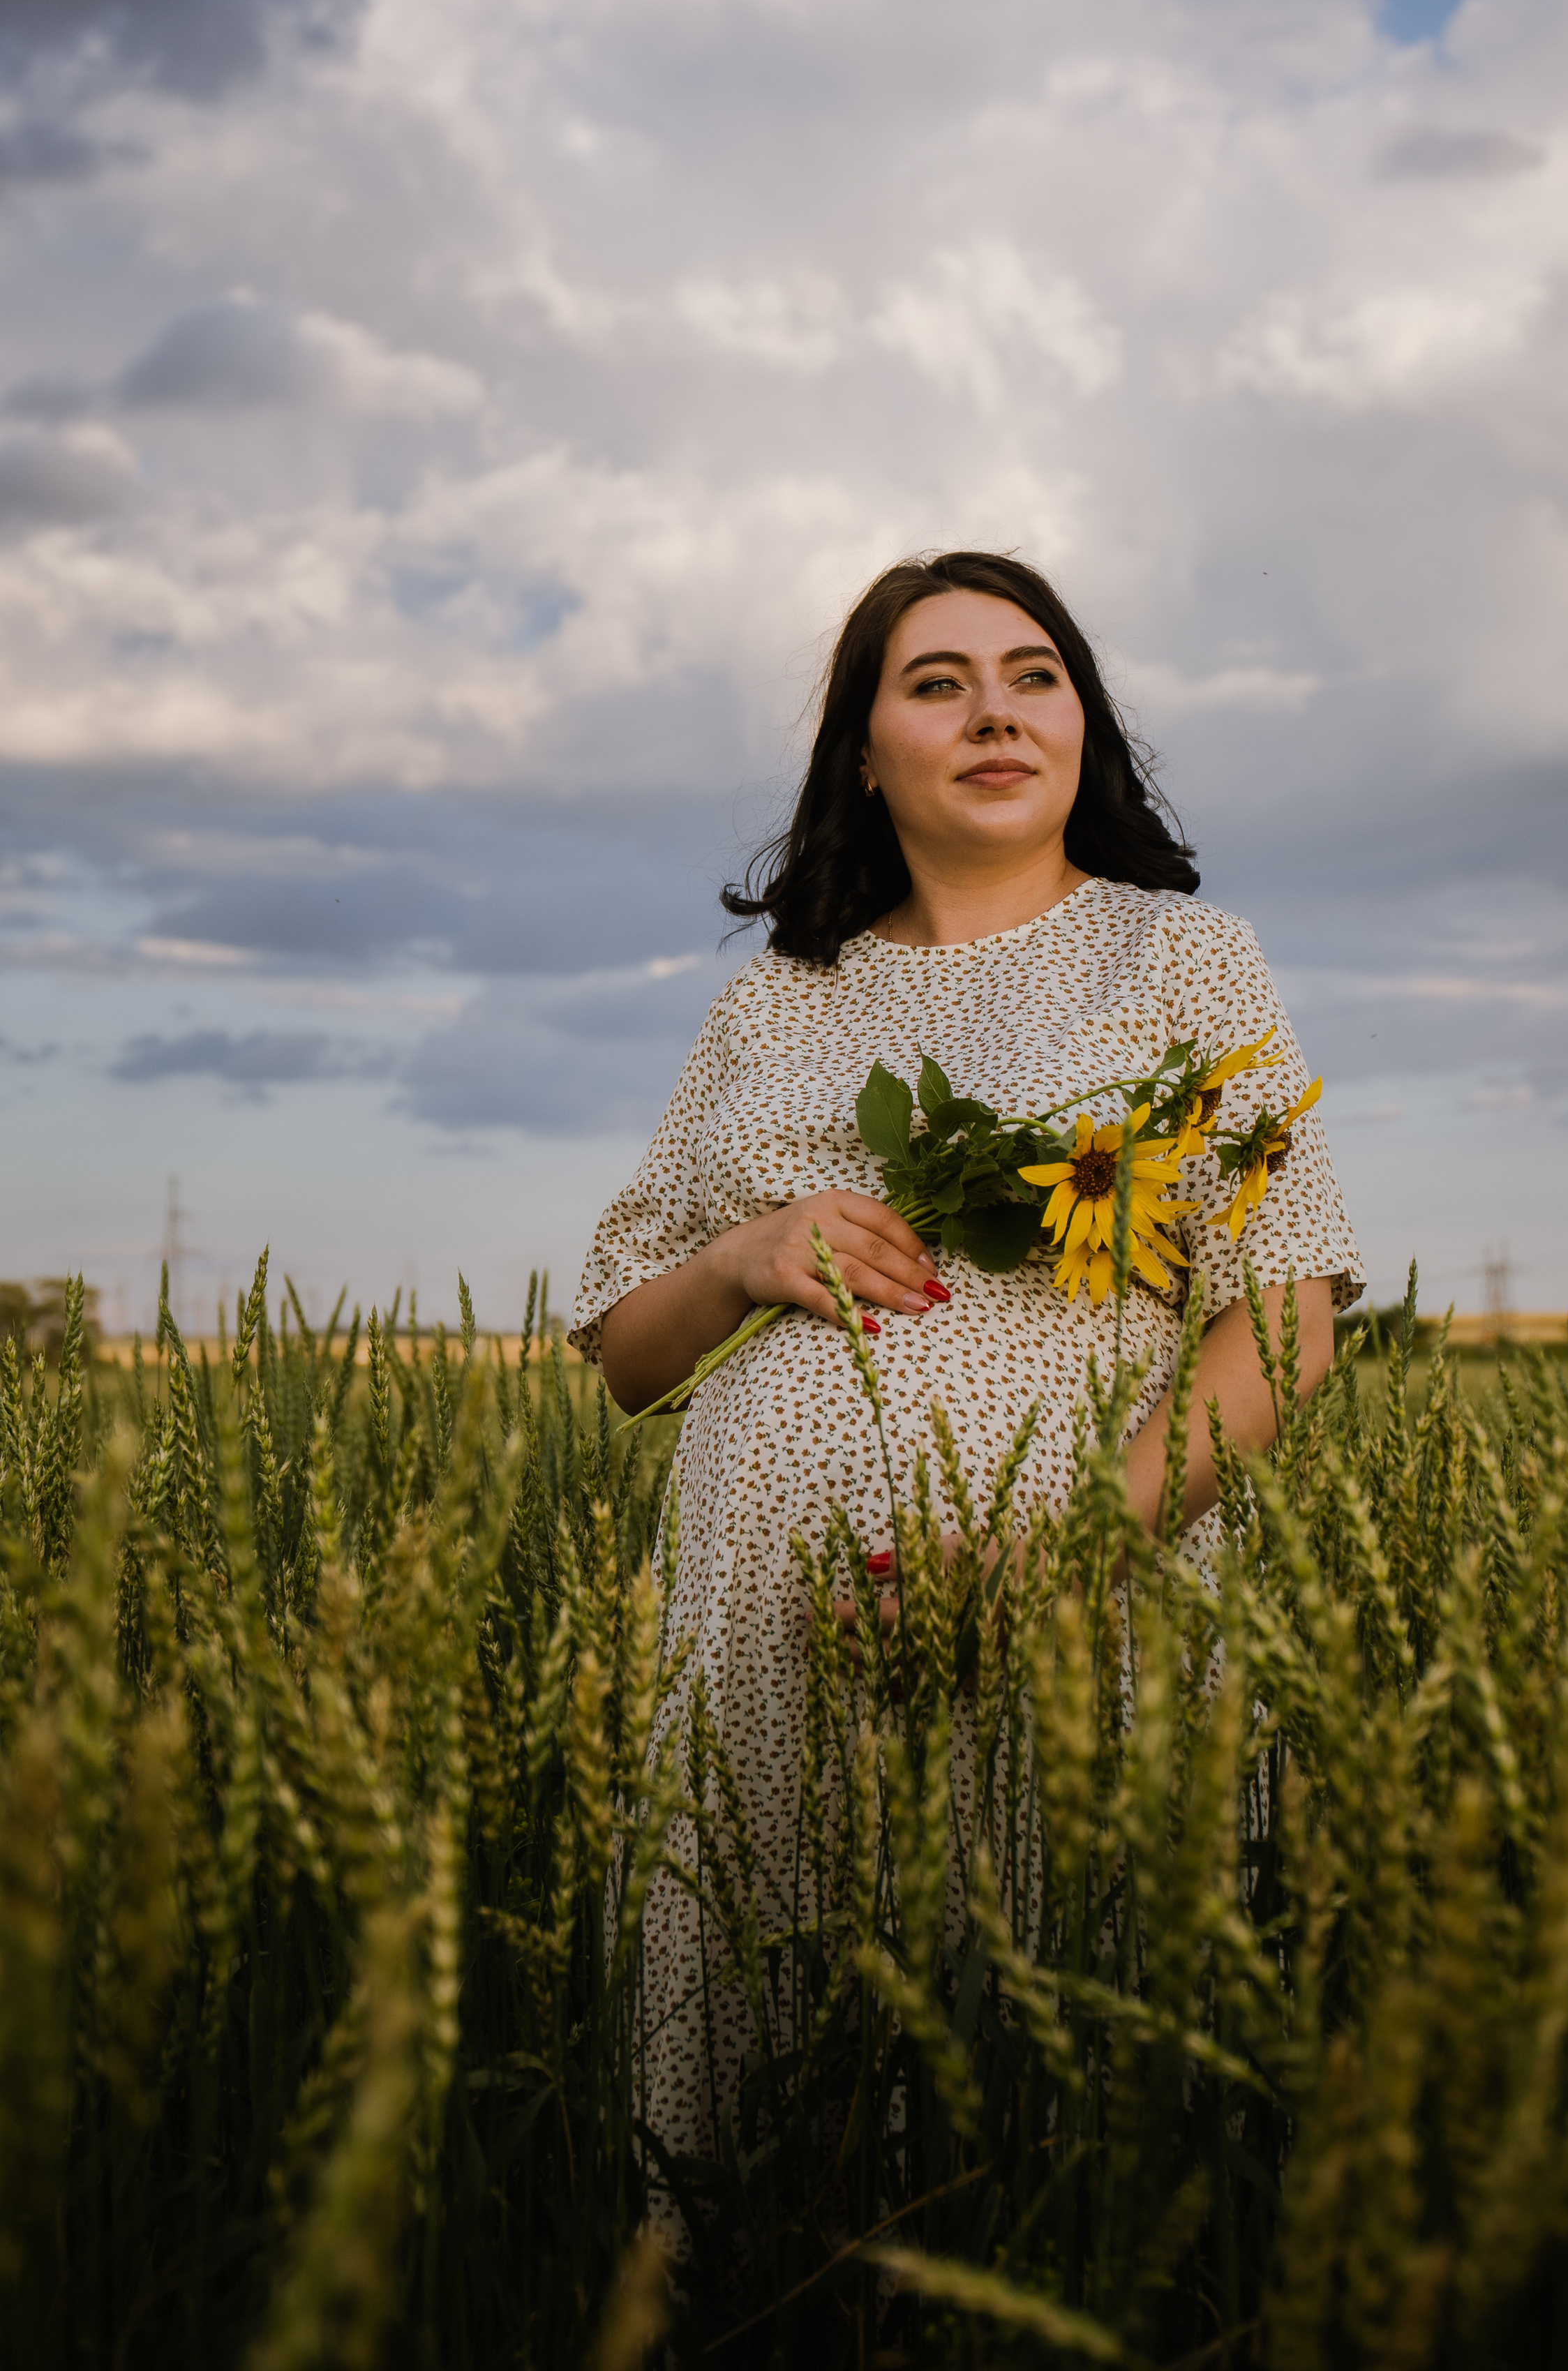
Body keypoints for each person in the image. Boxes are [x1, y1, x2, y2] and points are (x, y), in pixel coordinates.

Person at [571, 548, 1363, 2186]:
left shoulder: (1183, 961)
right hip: (769, 1641)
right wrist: (738, 1257)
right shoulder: (773, 1006)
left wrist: (1052, 1555)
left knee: (1064, 2103)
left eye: (1033, 675)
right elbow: (622, 1358)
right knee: (784, 2115)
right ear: (865, 752)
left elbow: (1281, 1319)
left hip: (1087, 1607)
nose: (993, 711)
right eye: (935, 683)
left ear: (1082, 726)